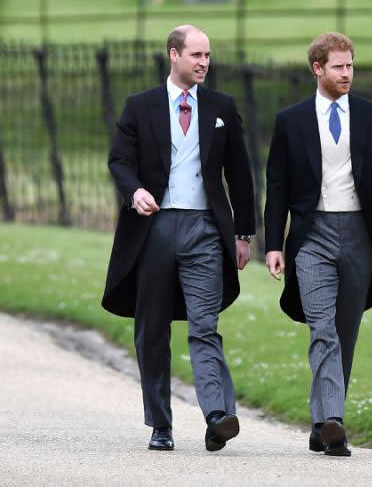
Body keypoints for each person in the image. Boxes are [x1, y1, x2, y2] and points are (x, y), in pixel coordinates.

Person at [264, 32, 372, 457]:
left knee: (344, 332)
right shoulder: (291, 120)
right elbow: (276, 185)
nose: (347, 73)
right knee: (323, 330)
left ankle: (321, 426)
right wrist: (273, 243)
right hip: (311, 237)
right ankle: (335, 421)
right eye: (338, 66)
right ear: (318, 69)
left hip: (360, 235)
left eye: (350, 65)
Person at [102, 25, 256, 452]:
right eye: (196, 55)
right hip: (153, 230)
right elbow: (119, 160)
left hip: (206, 229)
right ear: (174, 55)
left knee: (205, 325)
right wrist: (135, 191)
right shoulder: (140, 106)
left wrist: (244, 232)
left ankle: (217, 415)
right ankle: (161, 425)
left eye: (208, 56)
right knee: (152, 328)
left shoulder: (222, 107)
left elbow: (240, 174)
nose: (204, 63)